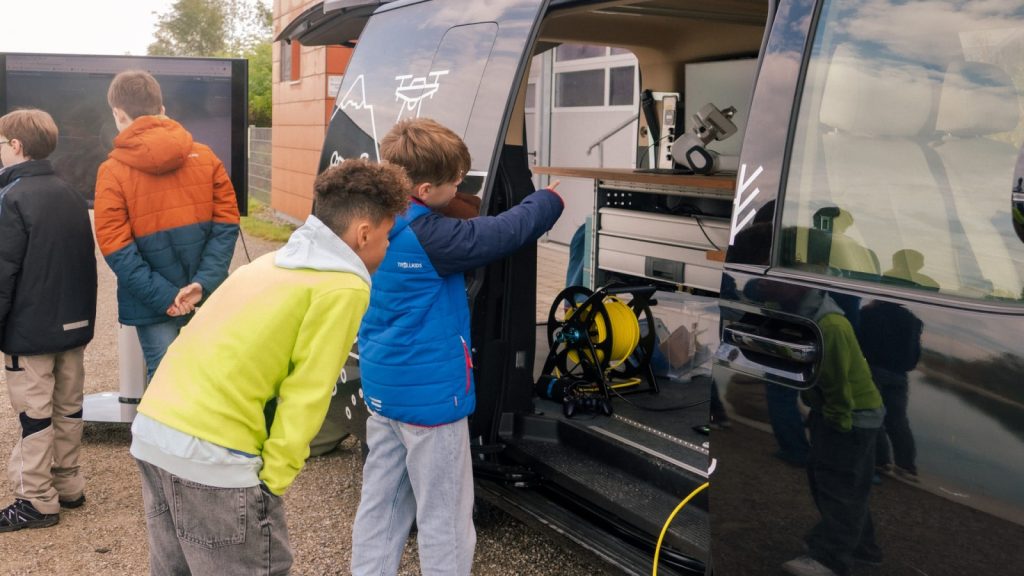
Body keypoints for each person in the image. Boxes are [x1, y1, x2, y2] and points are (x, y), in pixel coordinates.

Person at [129, 158, 409, 575]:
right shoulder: (344, 285)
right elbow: (308, 394)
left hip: (155, 430)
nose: (388, 248)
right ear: (364, 233)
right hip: (214, 454)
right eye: (387, 236)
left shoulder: (270, 263)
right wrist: (272, 480)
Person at [350, 118, 564, 576]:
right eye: (456, 183)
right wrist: (550, 198)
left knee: (381, 507)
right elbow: (506, 231)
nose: (460, 189)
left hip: (386, 393)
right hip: (432, 404)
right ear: (426, 189)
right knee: (444, 518)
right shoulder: (431, 237)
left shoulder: (368, 222)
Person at [93, 69, 240, 380]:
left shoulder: (111, 171)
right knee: (213, 381)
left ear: (118, 115)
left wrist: (165, 297)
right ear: (161, 110)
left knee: (165, 387)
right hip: (205, 296)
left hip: (153, 305)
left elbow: (116, 249)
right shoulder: (208, 157)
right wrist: (203, 283)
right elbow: (227, 227)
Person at [0, 109, 97, 532]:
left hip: (31, 331)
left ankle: (36, 501)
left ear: (16, 147)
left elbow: (4, 269)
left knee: (33, 415)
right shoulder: (71, 192)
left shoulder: (12, 197)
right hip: (73, 325)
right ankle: (68, 485)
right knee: (68, 408)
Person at [780, 285, 885, 576]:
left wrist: (836, 424)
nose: (762, 281)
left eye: (770, 275)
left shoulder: (830, 325)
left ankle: (830, 559)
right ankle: (865, 549)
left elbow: (840, 387)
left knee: (837, 487)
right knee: (845, 486)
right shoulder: (806, 312)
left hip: (850, 416)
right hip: (843, 413)